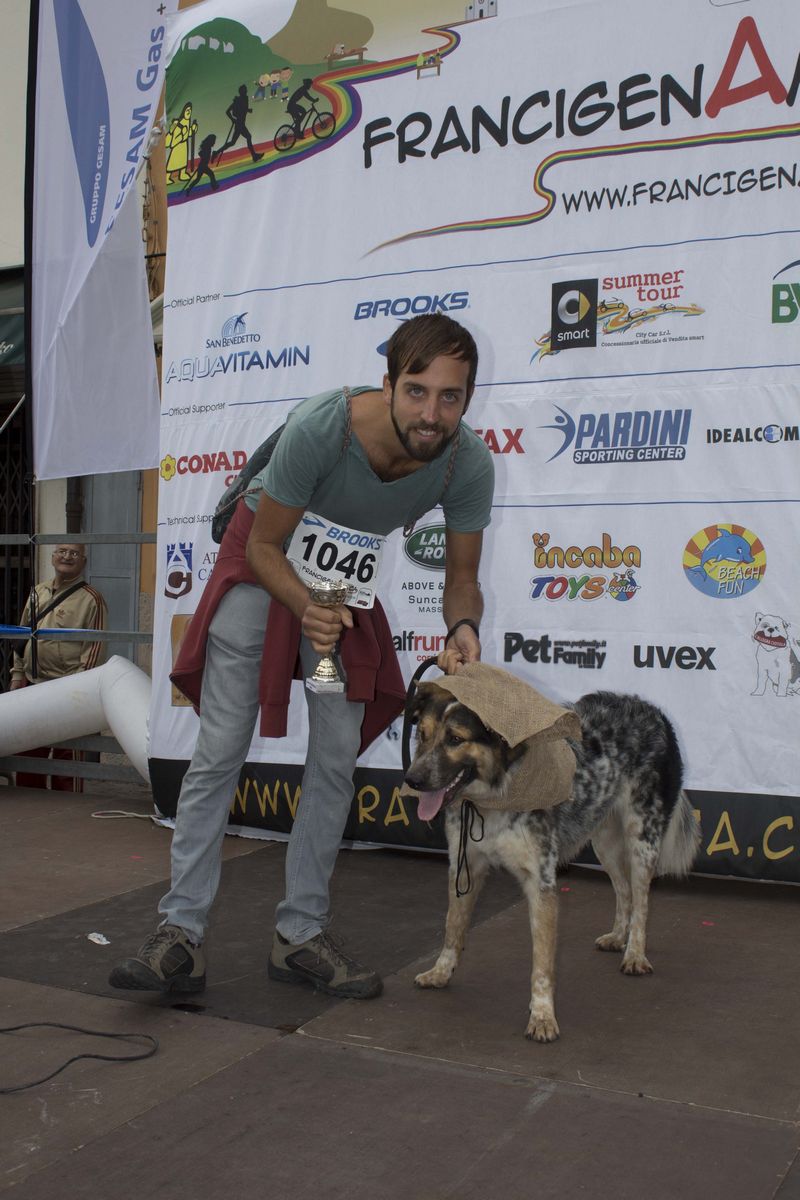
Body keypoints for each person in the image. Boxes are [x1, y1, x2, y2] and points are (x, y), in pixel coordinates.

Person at [109, 314, 494, 1001]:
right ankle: (180, 935)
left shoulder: (467, 462)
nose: (431, 414)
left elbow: (462, 578)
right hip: (264, 566)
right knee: (220, 749)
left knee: (335, 755)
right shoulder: (325, 427)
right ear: (388, 385)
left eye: (450, 397)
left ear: (467, 398)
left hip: (340, 589)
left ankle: (300, 936)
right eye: (416, 391)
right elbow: (263, 547)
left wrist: (462, 625)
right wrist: (306, 605)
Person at [10, 544, 107, 791]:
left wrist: (79, 689)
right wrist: (17, 675)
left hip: (67, 689)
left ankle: (67, 807)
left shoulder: (92, 599)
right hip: (33, 684)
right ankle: (30, 802)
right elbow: (22, 636)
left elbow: (94, 648)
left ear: (84, 561)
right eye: (62, 551)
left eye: (74, 553)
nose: (67, 557)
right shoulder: (37, 592)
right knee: (29, 750)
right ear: (53, 557)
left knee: (68, 757)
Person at [214, 85, 264, 164]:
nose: (246, 91)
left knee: (233, 142)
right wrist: (233, 119)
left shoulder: (243, 99)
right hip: (240, 124)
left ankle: (216, 152)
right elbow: (228, 111)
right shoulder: (238, 100)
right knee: (247, 137)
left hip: (240, 123)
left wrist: (247, 110)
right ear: (242, 92)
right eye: (245, 90)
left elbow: (242, 109)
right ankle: (254, 156)